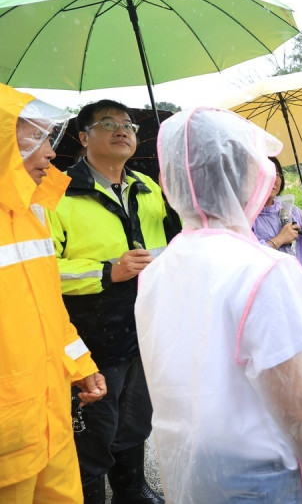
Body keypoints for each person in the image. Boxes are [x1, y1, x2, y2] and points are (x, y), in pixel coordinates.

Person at [134, 106, 302, 503]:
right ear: (247, 177)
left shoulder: (158, 272)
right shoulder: (262, 270)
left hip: (196, 469)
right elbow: (301, 406)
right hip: (263, 479)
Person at [47, 99, 179, 504]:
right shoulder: (56, 192)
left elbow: (171, 242)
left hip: (146, 328)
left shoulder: (149, 186)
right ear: (85, 137)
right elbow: (43, 270)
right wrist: (107, 271)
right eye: (108, 123)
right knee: (94, 431)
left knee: (136, 418)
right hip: (93, 335)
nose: (122, 130)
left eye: (129, 125)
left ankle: (131, 488)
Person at [0, 83, 106, 503]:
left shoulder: (35, 211)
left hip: (50, 419)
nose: (49, 152)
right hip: (9, 435)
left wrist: (81, 365)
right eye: (35, 139)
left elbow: (49, 310)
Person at [252, 156, 302, 333]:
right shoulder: (248, 217)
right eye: (268, 173)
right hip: (271, 296)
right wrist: (278, 240)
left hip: (301, 289)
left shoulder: (290, 210)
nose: (274, 179)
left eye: (278, 174)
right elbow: (248, 259)